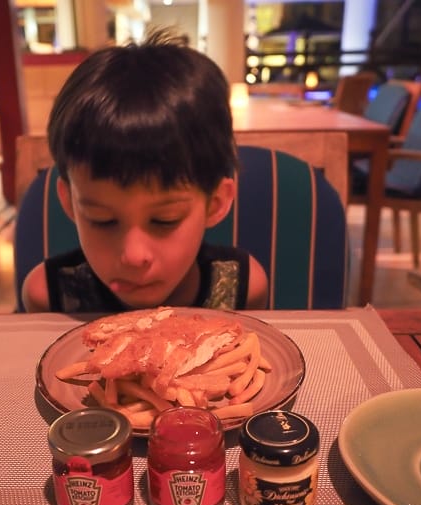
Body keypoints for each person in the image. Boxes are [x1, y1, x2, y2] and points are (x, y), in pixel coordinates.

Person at [21, 30, 268, 313]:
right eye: (102, 220)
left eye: (165, 220)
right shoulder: (48, 297)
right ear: (70, 203)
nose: (134, 256)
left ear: (216, 202)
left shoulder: (243, 289)